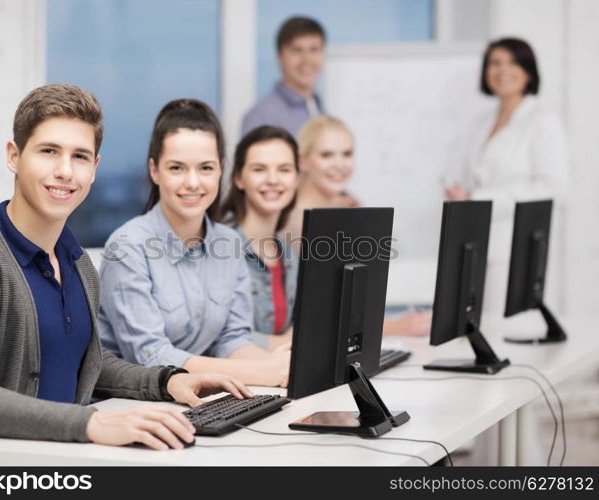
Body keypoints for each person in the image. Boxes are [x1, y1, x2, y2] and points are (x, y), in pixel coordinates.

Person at [0, 84, 253, 466]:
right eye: (48, 151)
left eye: (80, 156)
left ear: (94, 168)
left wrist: (166, 381)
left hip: (63, 462)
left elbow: (87, 361)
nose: (64, 171)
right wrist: (92, 423)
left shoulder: (78, 265)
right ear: (14, 156)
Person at [98, 99, 291, 388]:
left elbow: (232, 339)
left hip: (198, 399)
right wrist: (261, 373)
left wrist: (281, 366)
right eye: (176, 168)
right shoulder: (127, 247)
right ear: (154, 171)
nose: (193, 182)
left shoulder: (229, 243)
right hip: (131, 403)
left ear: (221, 170)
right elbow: (151, 355)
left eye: (206, 168)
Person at [444, 37, 569, 321]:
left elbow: (554, 189)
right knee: (475, 325)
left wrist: (478, 199)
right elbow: (478, 177)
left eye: (513, 63)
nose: (502, 70)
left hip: (515, 245)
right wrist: (459, 191)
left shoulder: (542, 119)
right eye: (495, 63)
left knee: (507, 328)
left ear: (528, 71)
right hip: (477, 242)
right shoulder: (481, 122)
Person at [282, 115, 431, 337]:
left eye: (347, 154)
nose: (339, 164)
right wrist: (397, 327)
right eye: (326, 155)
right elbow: (324, 313)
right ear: (302, 161)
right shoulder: (298, 222)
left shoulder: (346, 205)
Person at [221, 126, 300, 350]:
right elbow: (215, 337)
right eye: (259, 169)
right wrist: (283, 343)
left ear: (296, 178)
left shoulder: (291, 257)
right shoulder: (219, 249)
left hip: (277, 379)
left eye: (284, 169)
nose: (273, 180)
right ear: (238, 178)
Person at [241, 16, 326, 137]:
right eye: (296, 50)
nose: (307, 59)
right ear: (280, 58)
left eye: (314, 50)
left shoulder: (320, 109)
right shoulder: (261, 117)